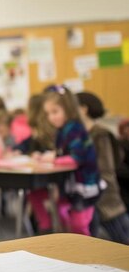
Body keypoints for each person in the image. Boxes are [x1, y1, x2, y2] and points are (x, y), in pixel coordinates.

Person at [28, 85, 100, 235]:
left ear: (68, 109)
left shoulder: (75, 128)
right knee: (45, 199)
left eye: (55, 112)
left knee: (78, 224)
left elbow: (76, 159)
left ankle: (85, 251)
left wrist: (53, 159)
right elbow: (62, 152)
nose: (51, 117)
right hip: (69, 184)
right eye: (48, 114)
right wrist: (48, 156)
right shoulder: (63, 129)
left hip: (85, 185)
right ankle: (48, 228)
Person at [76, 92, 129, 244]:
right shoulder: (82, 134)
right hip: (89, 195)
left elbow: (106, 170)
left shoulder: (100, 134)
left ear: (83, 109)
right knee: (93, 241)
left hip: (106, 198)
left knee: (122, 240)